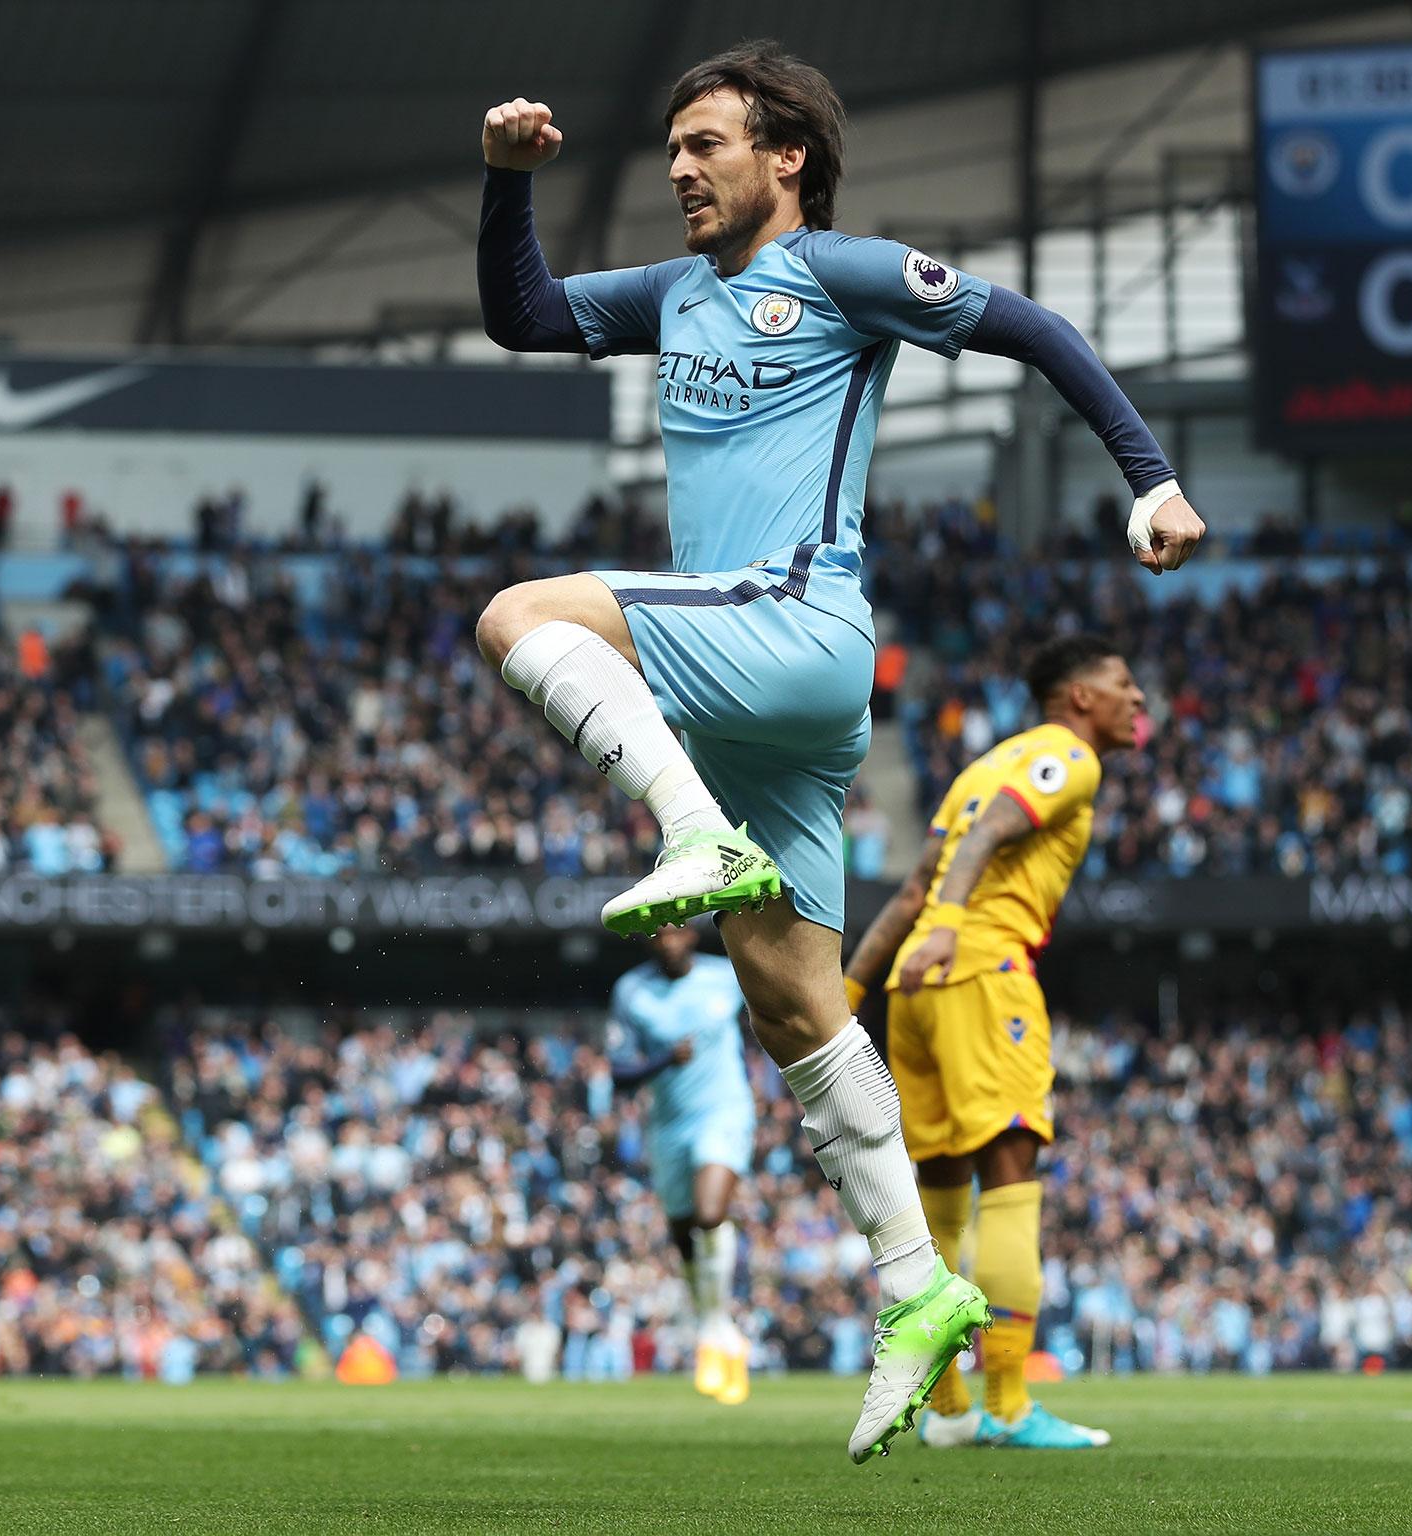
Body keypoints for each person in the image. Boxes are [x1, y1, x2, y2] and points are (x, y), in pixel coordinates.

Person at [473, 41, 1203, 1461]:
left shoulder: (845, 273)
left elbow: (1038, 331)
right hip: (760, 707)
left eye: (706, 144)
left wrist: (1153, 483)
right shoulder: (673, 293)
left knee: (515, 615)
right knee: (795, 1005)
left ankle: (689, 828)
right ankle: (918, 1290)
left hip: (794, 621)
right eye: (675, 149)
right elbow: (524, 317)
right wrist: (508, 188)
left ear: (785, 156)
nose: (679, 168)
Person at [842, 635, 1142, 1450]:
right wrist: (950, 930)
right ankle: (1009, 1408)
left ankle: (946, 1412)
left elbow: (915, 883)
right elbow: (991, 839)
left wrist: (848, 994)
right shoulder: (1068, 757)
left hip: (915, 985)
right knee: (1010, 1177)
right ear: (1079, 697)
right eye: (1123, 685)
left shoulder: (979, 768)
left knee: (937, 1193)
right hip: (982, 970)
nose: (1138, 699)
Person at [608, 923, 755, 1405]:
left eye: (676, 933)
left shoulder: (725, 976)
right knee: (681, 1229)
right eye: (659, 936)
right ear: (650, 941)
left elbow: (773, 1013)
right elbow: (619, 1073)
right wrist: (664, 1060)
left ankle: (715, 1325)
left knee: (710, 1213)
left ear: (691, 936)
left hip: (724, 1110)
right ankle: (714, 1324)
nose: (669, 943)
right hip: (668, 1125)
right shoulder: (632, 991)